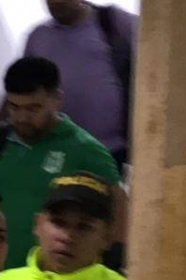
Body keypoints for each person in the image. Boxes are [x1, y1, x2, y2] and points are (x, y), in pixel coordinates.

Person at [0, 57, 126, 271]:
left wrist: (110, 267)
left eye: (33, 108)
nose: (22, 117)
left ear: (57, 100)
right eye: (14, 107)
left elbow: (120, 216)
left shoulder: (86, 150)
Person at [27, 1, 138, 169]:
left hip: (113, 150)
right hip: (59, 153)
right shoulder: (38, 37)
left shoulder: (114, 22)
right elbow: (21, 89)